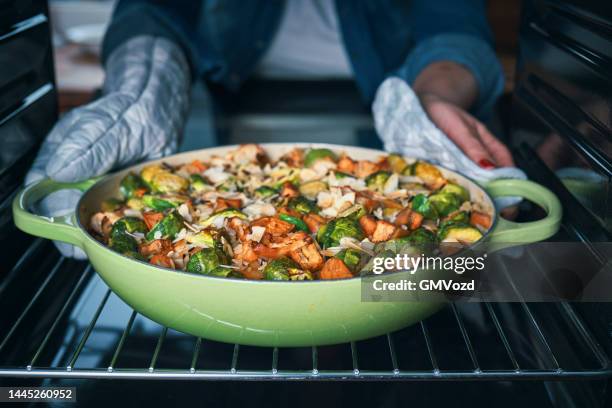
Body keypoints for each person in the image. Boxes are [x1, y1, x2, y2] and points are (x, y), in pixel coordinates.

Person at [27, 0, 513, 258]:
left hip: (386, 110)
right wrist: (143, 87)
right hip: (235, 108)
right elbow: (153, 8)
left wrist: (432, 99)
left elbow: (455, 23)